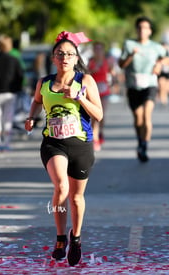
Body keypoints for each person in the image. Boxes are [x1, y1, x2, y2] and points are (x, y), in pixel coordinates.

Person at [25, 31, 103, 266]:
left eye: (70, 54)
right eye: (60, 54)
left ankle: (75, 237)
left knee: (77, 197)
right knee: (61, 186)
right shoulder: (45, 83)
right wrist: (31, 117)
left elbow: (98, 114)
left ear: (76, 57)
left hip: (80, 144)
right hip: (53, 142)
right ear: (53, 58)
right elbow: (37, 101)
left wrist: (80, 97)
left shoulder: (85, 81)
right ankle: (60, 238)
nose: (65, 58)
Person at [118, 16, 168, 162]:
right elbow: (121, 65)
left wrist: (159, 64)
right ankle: (140, 141)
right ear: (136, 29)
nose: (142, 30)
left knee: (147, 117)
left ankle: (144, 146)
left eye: (145, 28)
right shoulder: (129, 44)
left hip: (150, 85)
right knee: (138, 120)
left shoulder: (156, 46)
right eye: (139, 27)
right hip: (133, 86)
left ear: (150, 31)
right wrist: (131, 55)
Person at [87, 41, 114, 151]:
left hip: (104, 92)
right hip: (93, 92)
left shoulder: (106, 61)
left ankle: (100, 132)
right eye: (96, 49)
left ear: (103, 50)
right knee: (94, 116)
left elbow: (111, 72)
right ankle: (95, 139)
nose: (98, 51)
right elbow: (86, 74)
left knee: (101, 115)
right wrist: (92, 70)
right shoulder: (91, 61)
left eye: (100, 49)